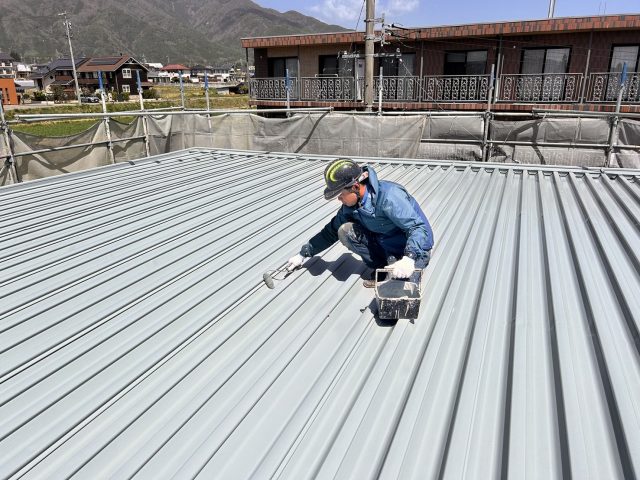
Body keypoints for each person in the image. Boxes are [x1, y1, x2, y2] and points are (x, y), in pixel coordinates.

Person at [286, 158, 434, 287]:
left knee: (398, 295)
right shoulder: (351, 207)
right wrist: (303, 254)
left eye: (341, 195)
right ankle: (383, 267)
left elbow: (417, 228)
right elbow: (330, 232)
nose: (339, 199)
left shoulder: (389, 197)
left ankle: (403, 268)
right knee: (345, 230)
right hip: (387, 247)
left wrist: (409, 257)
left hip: (415, 250)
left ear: (356, 187)